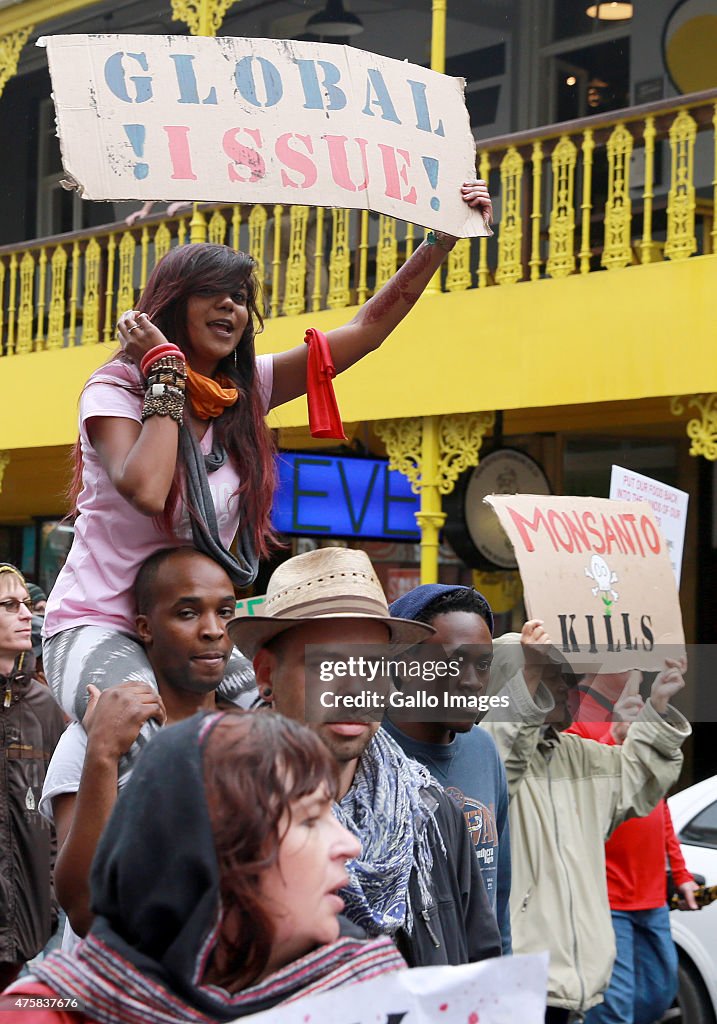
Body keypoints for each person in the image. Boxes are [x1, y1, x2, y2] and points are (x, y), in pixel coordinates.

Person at [43, 180, 493, 748]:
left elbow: (367, 331)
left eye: (239, 296)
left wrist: (440, 239)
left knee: (296, 731)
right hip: (100, 621)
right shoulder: (115, 390)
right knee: (147, 736)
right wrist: (164, 374)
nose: (231, 306)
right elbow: (148, 490)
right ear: (172, 302)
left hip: (202, 629)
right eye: (213, 292)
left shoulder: (245, 389)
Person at [3, 710, 406, 1022]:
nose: (349, 846)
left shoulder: (370, 995)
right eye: (310, 820)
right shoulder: (48, 1010)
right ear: (210, 850)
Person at [230, 546, 502, 968]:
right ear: (267, 675)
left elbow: (479, 963)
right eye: (328, 666)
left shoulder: (431, 811)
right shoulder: (224, 815)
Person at [482, 620, 691, 1023]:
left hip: (578, 989)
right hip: (518, 987)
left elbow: (635, 779)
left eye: (568, 679)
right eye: (553, 678)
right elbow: (500, 758)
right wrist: (529, 671)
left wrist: (657, 708)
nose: (567, 689)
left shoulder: (574, 752)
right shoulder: (485, 753)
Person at [40, 547, 240, 943]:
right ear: (145, 628)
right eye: (188, 613)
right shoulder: (92, 739)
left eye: (226, 612)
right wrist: (103, 754)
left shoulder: (256, 735)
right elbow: (85, 910)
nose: (213, 629)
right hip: (108, 994)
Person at [384, 584, 511, 954]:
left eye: (483, 665)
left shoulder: (484, 751)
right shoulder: (370, 759)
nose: (472, 681)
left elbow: (498, 896)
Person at [568, 682, 699, 1024]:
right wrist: (616, 737)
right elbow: (578, 790)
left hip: (652, 896)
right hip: (607, 898)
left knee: (659, 993)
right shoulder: (579, 723)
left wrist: (681, 875)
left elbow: (660, 808)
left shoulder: (645, 726)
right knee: (614, 1005)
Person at [0, 564, 65, 989]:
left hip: (29, 924)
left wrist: (53, 893)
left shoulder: (45, 703)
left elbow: (60, 807)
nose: (26, 614)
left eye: (26, 603)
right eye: (9, 605)